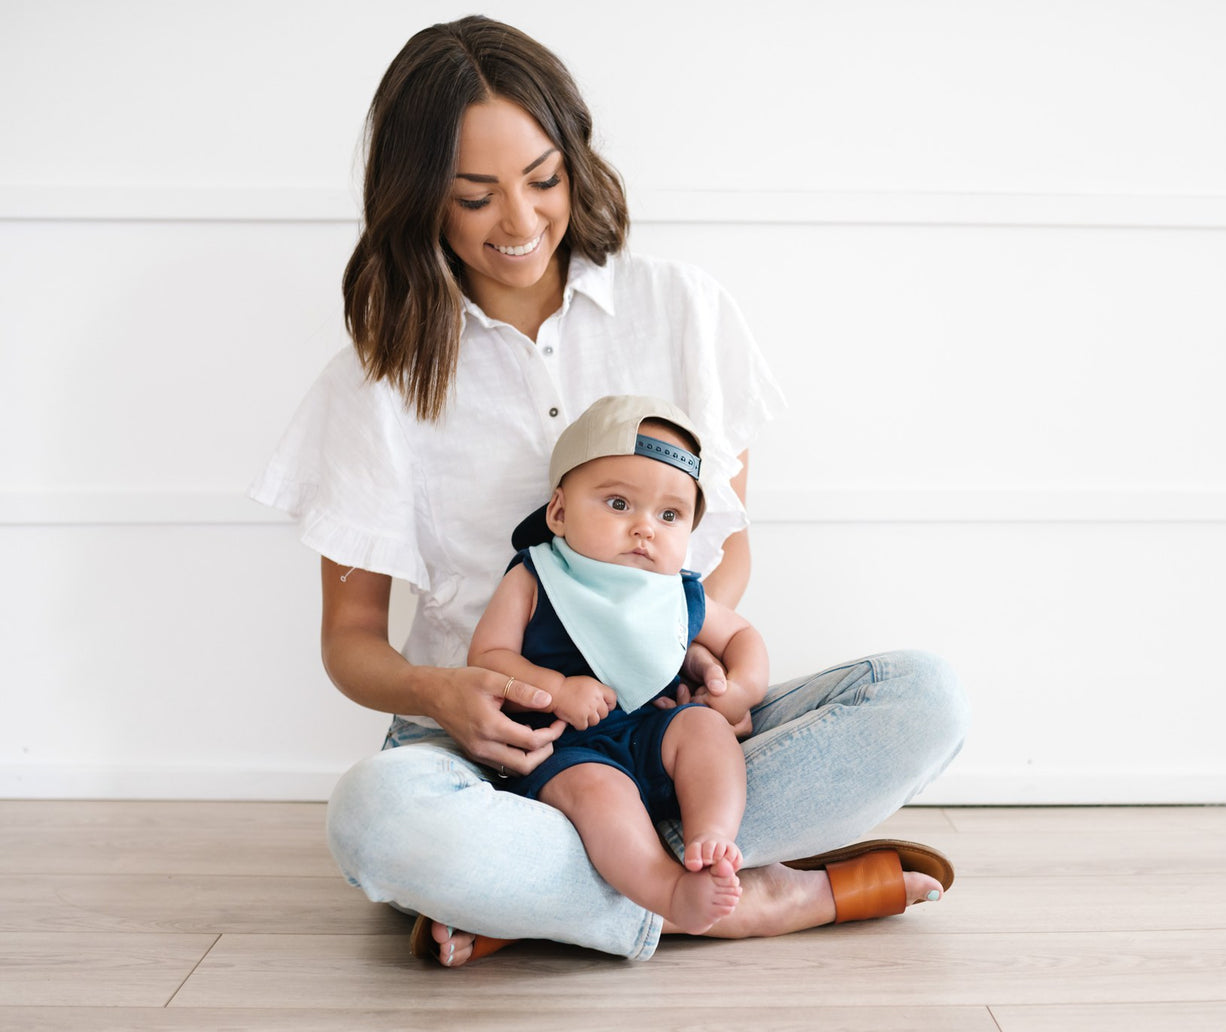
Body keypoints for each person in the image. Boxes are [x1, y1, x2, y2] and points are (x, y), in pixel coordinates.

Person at [249, 14, 969, 966]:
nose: (519, 223)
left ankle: (544, 895)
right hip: (490, 755)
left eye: (542, 179)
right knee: (376, 823)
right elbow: (350, 646)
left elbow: (727, 542)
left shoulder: (684, 309)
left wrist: (712, 663)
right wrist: (443, 692)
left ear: (574, 162)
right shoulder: (375, 380)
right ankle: (741, 900)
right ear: (419, 199)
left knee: (923, 699)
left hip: (669, 728)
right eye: (474, 196)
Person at [476, 395, 764, 934]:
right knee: (599, 793)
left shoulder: (674, 593)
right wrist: (556, 689)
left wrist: (739, 692)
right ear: (559, 512)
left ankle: (713, 837)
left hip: (655, 733)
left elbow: (743, 635)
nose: (645, 528)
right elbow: (488, 661)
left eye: (670, 515)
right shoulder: (537, 576)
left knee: (703, 728)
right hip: (569, 750)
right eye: (618, 503)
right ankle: (666, 888)